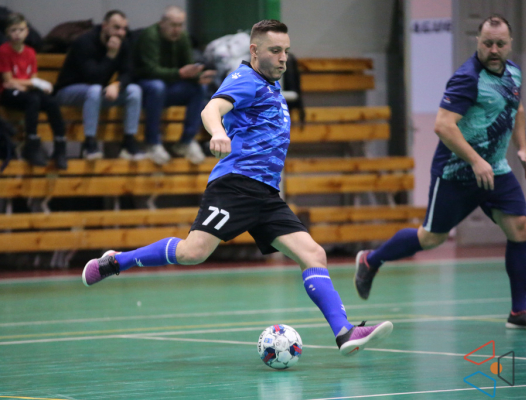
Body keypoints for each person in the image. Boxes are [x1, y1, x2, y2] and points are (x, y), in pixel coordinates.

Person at [83, 19, 393, 356]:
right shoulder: (246, 79)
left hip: (266, 194)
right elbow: (211, 108)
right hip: (236, 185)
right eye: (275, 50)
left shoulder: (272, 87)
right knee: (192, 253)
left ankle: (345, 333)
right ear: (254, 50)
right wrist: (218, 132)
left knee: (314, 254)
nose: (283, 57)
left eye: (286, 51)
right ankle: (116, 261)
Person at [355, 14, 526, 331]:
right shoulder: (467, 79)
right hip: (457, 172)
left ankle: (519, 312)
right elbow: (443, 126)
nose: (494, 49)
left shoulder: (513, 73)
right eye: (487, 43)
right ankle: (370, 260)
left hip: (495, 170)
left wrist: (523, 149)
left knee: (520, 228)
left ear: (510, 44)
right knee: (430, 238)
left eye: (500, 44)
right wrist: (475, 160)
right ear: (478, 42)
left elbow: (517, 109)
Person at [54, 10, 144, 161]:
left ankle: (129, 141)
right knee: (95, 90)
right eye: (116, 27)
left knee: (134, 90)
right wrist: (111, 55)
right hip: (68, 91)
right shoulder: (84, 42)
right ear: (104, 26)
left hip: (96, 93)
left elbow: (129, 72)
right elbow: (94, 77)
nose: (121, 33)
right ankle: (89, 143)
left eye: (124, 29)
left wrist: (117, 84)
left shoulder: (124, 43)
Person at [133, 6, 215, 165]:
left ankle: (186, 141)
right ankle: (152, 142)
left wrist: (198, 76)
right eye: (173, 25)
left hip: (169, 87)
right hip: (146, 88)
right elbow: (150, 71)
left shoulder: (182, 37)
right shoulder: (150, 36)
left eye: (180, 25)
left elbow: (187, 67)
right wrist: (180, 74)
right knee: (157, 87)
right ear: (162, 23)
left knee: (199, 88)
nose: (177, 29)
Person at [0, 13, 67, 169]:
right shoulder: (3, 51)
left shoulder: (30, 52)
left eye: (20, 30)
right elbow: (8, 80)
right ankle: (31, 143)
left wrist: (28, 84)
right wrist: (31, 83)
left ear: (27, 32)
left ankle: (60, 145)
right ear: (7, 33)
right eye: (13, 30)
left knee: (51, 102)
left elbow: (33, 78)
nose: (17, 33)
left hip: (25, 90)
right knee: (33, 99)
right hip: (8, 94)